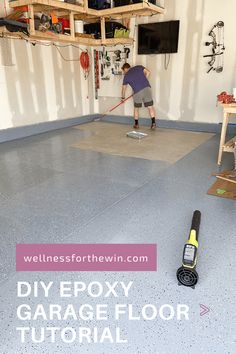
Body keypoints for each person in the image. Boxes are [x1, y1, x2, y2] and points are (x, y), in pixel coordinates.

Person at [121, 63, 156, 129]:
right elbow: (148, 72)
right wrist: (144, 81)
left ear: (125, 69)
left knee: (136, 108)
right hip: (147, 88)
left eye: (124, 70)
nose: (124, 72)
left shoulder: (126, 76)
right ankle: (153, 123)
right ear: (129, 67)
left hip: (137, 92)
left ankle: (136, 124)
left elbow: (124, 88)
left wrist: (123, 98)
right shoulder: (138, 67)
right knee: (150, 107)